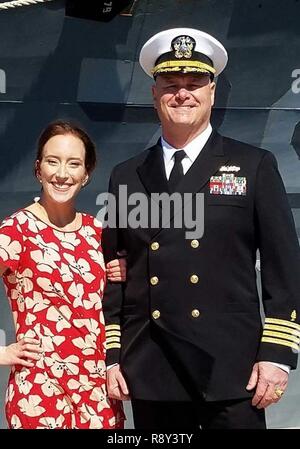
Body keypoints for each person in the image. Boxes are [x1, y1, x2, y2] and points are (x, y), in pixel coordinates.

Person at [101, 28, 300, 429]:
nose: (182, 94)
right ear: (154, 94)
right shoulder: (127, 177)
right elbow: (117, 272)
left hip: (231, 370)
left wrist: (277, 355)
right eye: (171, 84)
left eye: (194, 84)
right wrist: (113, 357)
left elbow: (284, 268)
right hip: (153, 368)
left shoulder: (253, 166)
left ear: (211, 92)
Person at [0, 120, 126, 429]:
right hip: (39, 394)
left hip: (98, 395)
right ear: (38, 168)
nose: (61, 173)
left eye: (73, 164)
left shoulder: (98, 233)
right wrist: (2, 352)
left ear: (86, 175)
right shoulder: (16, 231)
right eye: (52, 161)